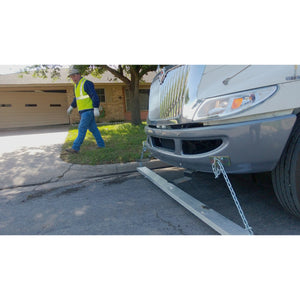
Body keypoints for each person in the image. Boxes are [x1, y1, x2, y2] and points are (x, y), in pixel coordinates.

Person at [66, 67, 105, 153]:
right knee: (93, 129)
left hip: (88, 111)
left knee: (82, 128)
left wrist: (96, 108)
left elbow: (94, 96)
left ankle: (75, 148)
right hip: (83, 111)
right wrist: (71, 107)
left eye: (74, 76)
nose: (73, 78)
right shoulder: (75, 86)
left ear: (79, 75)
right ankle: (101, 145)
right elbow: (77, 99)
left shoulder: (87, 83)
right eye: (71, 77)